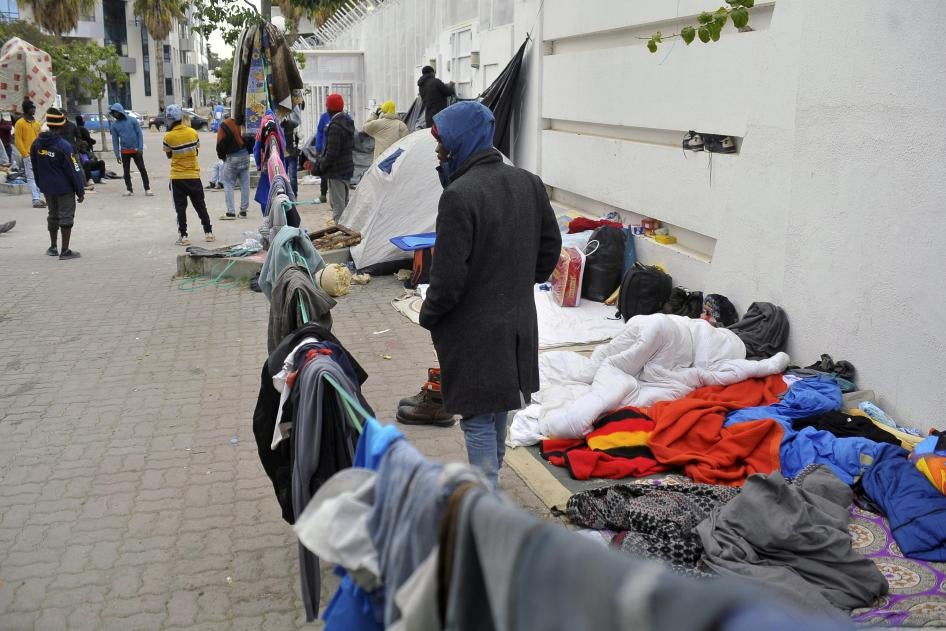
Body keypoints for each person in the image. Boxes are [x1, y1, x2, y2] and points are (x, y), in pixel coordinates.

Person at [417, 102, 562, 488]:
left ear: (461, 141)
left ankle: (485, 511)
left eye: (442, 144)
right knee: (497, 408)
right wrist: (517, 283)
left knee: (479, 419)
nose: (438, 152)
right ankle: (490, 492)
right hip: (516, 324)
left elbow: (447, 280)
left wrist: (428, 314)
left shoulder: (459, 195)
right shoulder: (528, 182)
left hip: (474, 331)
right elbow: (551, 248)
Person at [31, 107, 85, 260]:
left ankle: (53, 247)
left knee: (53, 216)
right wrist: (80, 191)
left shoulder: (36, 144)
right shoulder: (64, 146)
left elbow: (34, 166)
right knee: (66, 217)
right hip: (64, 188)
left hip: (47, 188)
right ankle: (65, 250)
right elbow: (74, 170)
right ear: (61, 125)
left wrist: (40, 184)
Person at [162, 104, 214, 245]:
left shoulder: (168, 137)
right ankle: (208, 232)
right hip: (194, 176)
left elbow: (169, 155)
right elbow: (196, 151)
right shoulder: (193, 133)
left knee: (180, 209)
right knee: (201, 206)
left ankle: (184, 236)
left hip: (177, 178)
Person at [316, 93, 354, 223]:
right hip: (347, 170)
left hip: (336, 172)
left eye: (327, 106)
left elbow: (331, 152)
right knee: (345, 203)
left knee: (338, 207)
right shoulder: (348, 122)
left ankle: (342, 234)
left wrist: (321, 165)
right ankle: (348, 229)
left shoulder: (335, 126)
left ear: (330, 109)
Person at [109, 102, 152, 197]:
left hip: (136, 150)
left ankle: (147, 188)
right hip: (124, 151)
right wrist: (117, 154)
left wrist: (140, 148)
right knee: (126, 171)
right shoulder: (114, 125)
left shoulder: (132, 121)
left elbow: (139, 134)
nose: (115, 114)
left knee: (142, 169)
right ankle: (129, 189)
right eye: (113, 112)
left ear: (120, 111)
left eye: (116, 112)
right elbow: (115, 141)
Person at [215, 113, 250, 220]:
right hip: (245, 155)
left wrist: (223, 157)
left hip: (232, 157)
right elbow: (251, 137)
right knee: (245, 183)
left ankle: (231, 212)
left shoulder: (224, 125)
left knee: (228, 183)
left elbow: (220, 144)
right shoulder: (245, 121)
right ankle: (243, 211)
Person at [15, 99, 44, 207]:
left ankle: (38, 198)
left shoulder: (36, 123)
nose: (34, 110)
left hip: (39, 155)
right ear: (27, 109)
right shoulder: (20, 123)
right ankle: (35, 199)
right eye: (32, 108)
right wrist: (25, 154)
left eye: (34, 108)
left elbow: (41, 138)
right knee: (31, 177)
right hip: (28, 155)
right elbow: (18, 141)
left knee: (38, 177)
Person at [280, 103, 303, 195]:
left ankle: (294, 194)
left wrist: (298, 150)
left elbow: (301, 136)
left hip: (292, 154)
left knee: (292, 176)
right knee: (282, 176)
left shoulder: (293, 124)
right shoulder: (277, 127)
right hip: (282, 156)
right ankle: (285, 194)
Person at [314, 109, 331, 203]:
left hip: (337, 150)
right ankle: (323, 194)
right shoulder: (324, 117)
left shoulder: (344, 116)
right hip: (325, 149)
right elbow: (319, 132)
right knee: (324, 173)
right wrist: (318, 148)